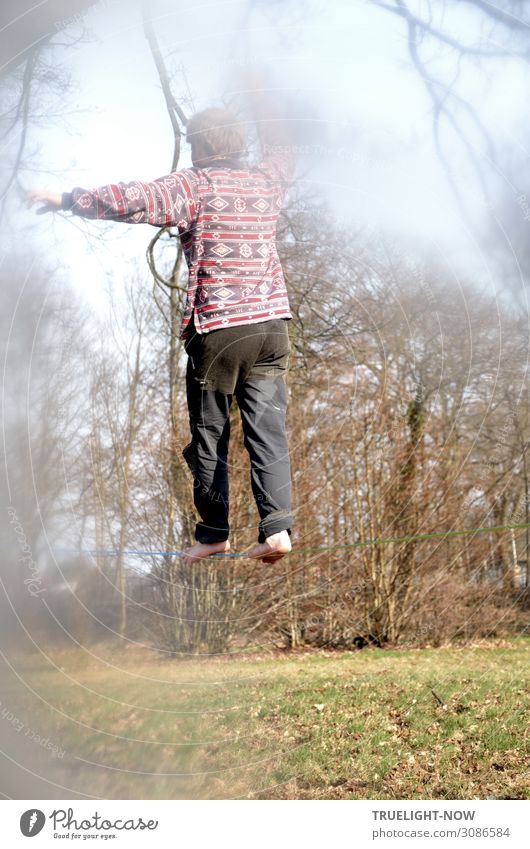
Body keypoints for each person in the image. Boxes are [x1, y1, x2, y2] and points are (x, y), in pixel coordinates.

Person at [27, 83, 296, 566]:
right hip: (273, 326)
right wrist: (260, 91)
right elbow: (283, 146)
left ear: (200, 146)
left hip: (221, 330)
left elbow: (133, 199)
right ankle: (278, 530)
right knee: (269, 432)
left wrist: (67, 198)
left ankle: (213, 532)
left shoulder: (194, 184)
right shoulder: (267, 180)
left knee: (210, 434)